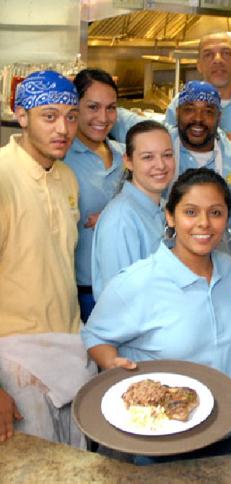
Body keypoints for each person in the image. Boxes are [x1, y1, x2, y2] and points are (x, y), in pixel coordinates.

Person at [82, 167, 231, 390]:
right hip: (174, 420)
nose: (204, 223)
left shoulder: (227, 269)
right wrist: (112, 364)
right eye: (190, 212)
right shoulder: (140, 281)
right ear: (170, 216)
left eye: (216, 212)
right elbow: (94, 335)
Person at [0, 70, 96, 445]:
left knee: (75, 467)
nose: (64, 129)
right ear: (21, 116)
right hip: (15, 360)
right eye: (49, 116)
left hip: (70, 351)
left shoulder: (67, 177)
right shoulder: (3, 177)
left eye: (71, 117)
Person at [171, 80, 231, 290]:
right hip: (171, 278)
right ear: (177, 113)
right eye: (189, 110)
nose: (198, 119)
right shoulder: (161, 157)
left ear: (219, 117)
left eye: (208, 111)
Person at [64, 68, 125, 321]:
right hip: (81, 293)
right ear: (74, 107)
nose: (103, 117)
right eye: (93, 107)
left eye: (111, 107)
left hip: (126, 287)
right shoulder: (61, 161)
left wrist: (115, 216)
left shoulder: (126, 156)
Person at [91, 120, 175, 300]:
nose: (160, 165)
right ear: (128, 161)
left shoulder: (162, 208)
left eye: (167, 155)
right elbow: (122, 301)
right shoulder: (121, 220)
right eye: (148, 157)